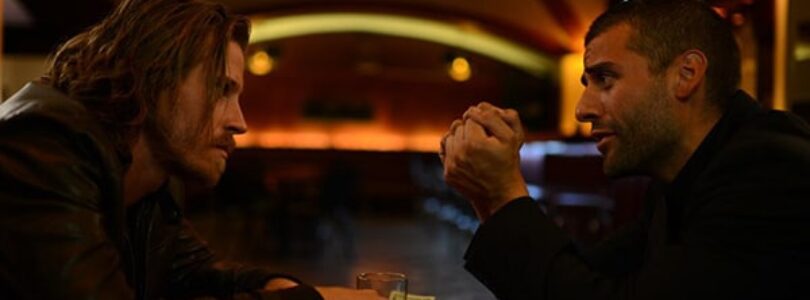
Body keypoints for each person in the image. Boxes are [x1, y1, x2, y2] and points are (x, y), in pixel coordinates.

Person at [0, 0, 381, 299]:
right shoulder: (44, 142)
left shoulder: (152, 177)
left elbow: (196, 271)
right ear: (152, 78)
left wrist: (276, 283)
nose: (240, 122)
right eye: (221, 90)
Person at [441, 1, 810, 299]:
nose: (581, 109)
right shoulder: (677, 179)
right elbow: (583, 277)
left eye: (604, 79)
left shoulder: (769, 174)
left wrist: (504, 194)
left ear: (686, 74)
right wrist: (487, 196)